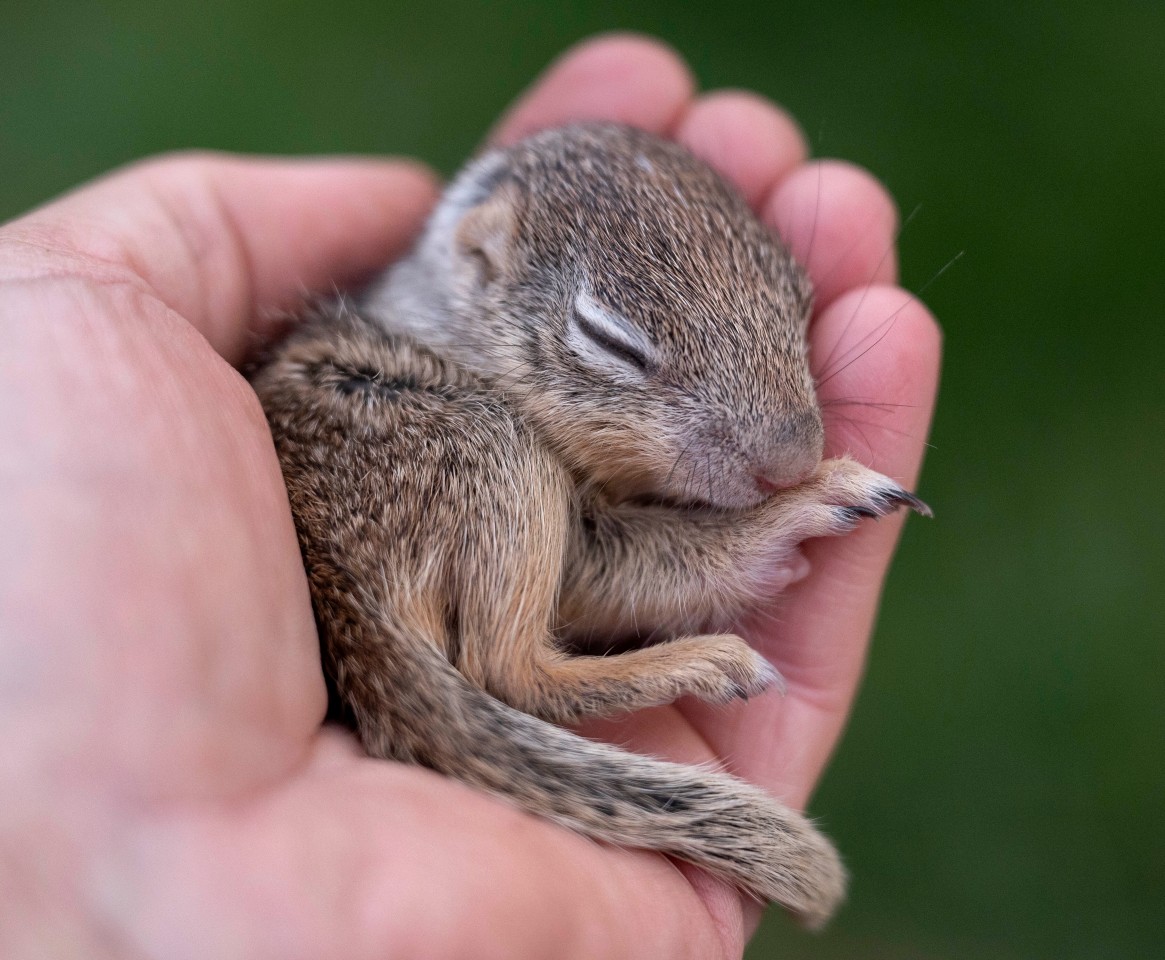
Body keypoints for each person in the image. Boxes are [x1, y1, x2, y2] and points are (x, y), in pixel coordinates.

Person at [0, 34, 940, 959]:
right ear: (486, 263)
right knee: (490, 448)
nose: (787, 451)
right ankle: (536, 672)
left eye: (787, 316)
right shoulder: (423, 406)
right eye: (615, 346)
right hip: (390, 549)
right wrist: (744, 547)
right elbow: (584, 565)